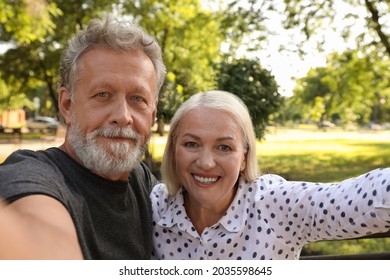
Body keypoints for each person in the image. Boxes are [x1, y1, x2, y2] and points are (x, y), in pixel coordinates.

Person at [150, 90, 390, 260]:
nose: (205, 162)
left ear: (244, 157)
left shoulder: (274, 204)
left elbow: (352, 200)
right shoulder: (155, 207)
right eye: (191, 144)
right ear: (173, 150)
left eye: (224, 147)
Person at [0, 15, 166, 259]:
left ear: (152, 116)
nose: (122, 116)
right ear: (67, 105)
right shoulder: (31, 176)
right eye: (102, 94)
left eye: (137, 99)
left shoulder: (141, 182)